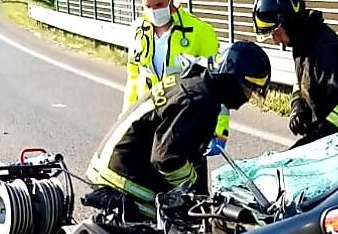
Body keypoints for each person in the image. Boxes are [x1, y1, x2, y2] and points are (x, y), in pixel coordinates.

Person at [86, 41, 271, 219]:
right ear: (233, 78)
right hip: (124, 180)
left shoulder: (198, 82)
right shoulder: (199, 99)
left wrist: (200, 194)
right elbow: (167, 159)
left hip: (115, 164)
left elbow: (186, 151)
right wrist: (193, 192)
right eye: (249, 89)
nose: (247, 98)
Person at [123, 0, 229, 156]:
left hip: (184, 126)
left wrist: (220, 130)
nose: (154, 12)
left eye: (159, 5)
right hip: (147, 125)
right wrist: (125, 120)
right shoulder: (137, 31)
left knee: (188, 183)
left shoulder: (200, 32)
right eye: (148, 6)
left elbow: (217, 86)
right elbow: (133, 79)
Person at [252, 0, 338, 147]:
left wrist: (312, 142)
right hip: (323, 143)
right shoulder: (301, 44)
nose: (276, 41)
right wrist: (298, 106)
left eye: (275, 33)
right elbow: (301, 81)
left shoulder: (329, 51)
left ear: (288, 21)